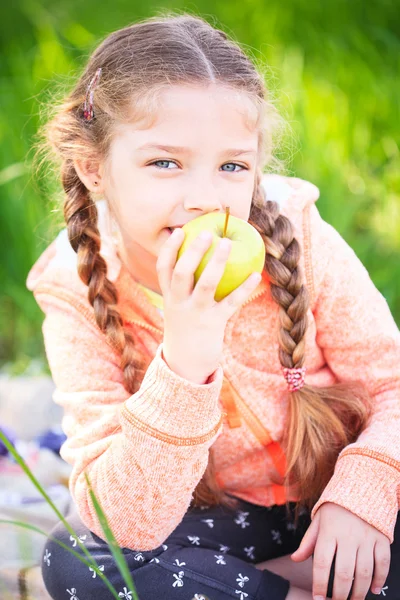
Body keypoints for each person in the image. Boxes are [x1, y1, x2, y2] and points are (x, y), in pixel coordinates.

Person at [26, 12, 400, 600]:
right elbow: (125, 521)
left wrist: (363, 496)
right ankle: (294, 589)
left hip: (340, 503)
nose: (204, 199)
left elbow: (391, 386)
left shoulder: (300, 238)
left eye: (231, 166)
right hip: (220, 524)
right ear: (94, 168)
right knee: (81, 561)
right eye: (165, 162)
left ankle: (273, 584)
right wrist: (186, 353)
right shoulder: (73, 287)